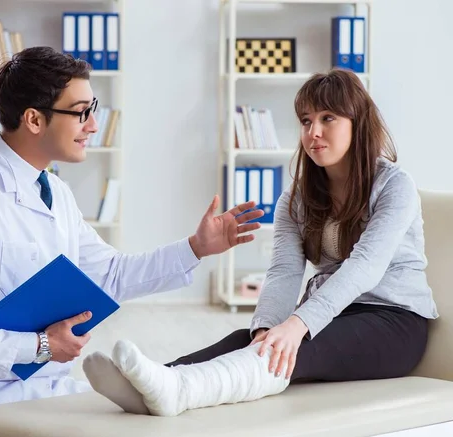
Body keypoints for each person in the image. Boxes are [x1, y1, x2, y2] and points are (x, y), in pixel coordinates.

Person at [0, 46, 265, 437]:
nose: (93, 125)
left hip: (46, 389)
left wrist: (196, 247)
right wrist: (39, 346)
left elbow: (109, 274)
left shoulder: (55, 192)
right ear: (34, 120)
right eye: (81, 112)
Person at [83, 68, 440, 417]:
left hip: (394, 321)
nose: (313, 132)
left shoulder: (395, 186)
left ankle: (180, 390)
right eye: (305, 121)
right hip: (334, 316)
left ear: (357, 122)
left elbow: (365, 266)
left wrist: (298, 324)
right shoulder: (297, 199)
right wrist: (267, 328)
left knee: (290, 349)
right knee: (252, 338)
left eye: (328, 118)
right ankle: (153, 379)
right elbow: (284, 270)